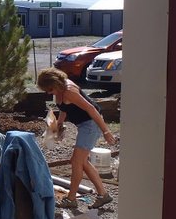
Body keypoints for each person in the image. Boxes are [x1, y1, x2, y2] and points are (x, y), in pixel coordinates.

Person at [36, 67, 116, 209]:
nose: (48, 93)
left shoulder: (69, 91)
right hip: (83, 125)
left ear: (54, 83)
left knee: (76, 162)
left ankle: (71, 199)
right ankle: (103, 195)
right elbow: (63, 109)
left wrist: (106, 131)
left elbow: (91, 109)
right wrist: (58, 125)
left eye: (49, 90)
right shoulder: (59, 89)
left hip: (91, 125)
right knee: (82, 162)